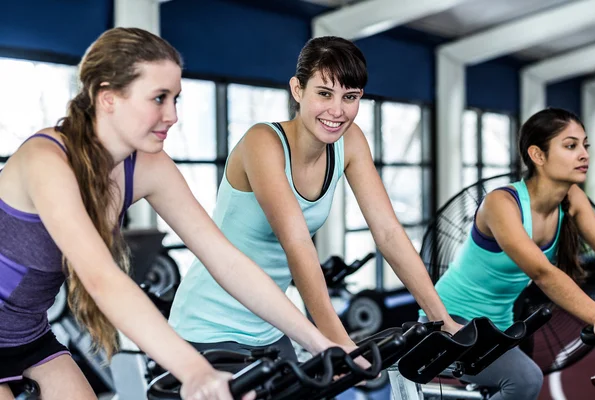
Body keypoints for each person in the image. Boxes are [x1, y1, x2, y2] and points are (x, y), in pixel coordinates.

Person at [0, 27, 346, 400]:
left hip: (26, 334)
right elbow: (103, 280)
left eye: (176, 99)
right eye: (159, 99)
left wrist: (317, 341)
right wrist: (195, 371)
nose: (173, 115)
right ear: (108, 96)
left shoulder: (148, 166)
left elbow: (225, 259)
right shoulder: (47, 161)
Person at [168, 36, 461, 361]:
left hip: (272, 325)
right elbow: (296, 243)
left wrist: (441, 319)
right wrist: (337, 340)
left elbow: (388, 233)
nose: (337, 111)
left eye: (350, 97)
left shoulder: (349, 142)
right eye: (324, 93)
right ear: (297, 90)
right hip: (207, 328)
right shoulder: (262, 142)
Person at [421, 107, 595, 400]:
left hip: (500, 327)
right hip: (450, 319)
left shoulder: (572, 198)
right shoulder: (501, 204)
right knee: (526, 380)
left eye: (585, 145)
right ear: (538, 156)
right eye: (570, 146)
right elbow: (542, 273)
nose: (584, 154)